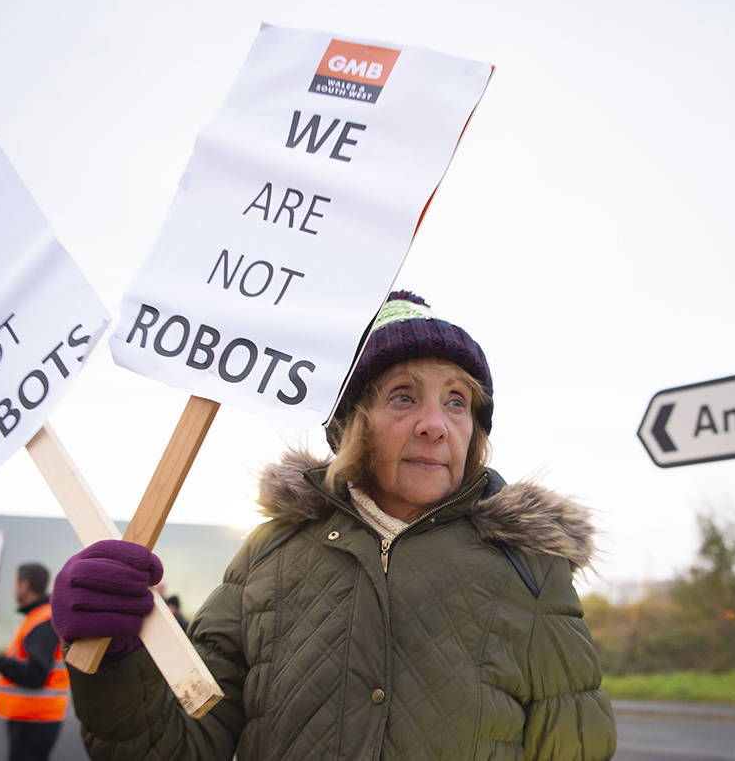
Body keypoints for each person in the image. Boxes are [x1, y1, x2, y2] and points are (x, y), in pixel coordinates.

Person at [52, 291, 618, 759]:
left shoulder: (529, 567)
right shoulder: (268, 554)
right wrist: (117, 662)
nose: (434, 425)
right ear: (349, 424)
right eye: (403, 397)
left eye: (456, 402)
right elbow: (179, 745)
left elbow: (577, 749)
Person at [0, 562, 68, 761]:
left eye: (15, 583)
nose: (14, 589)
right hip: (36, 717)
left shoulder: (41, 621)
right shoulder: (40, 617)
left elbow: (36, 675)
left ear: (25, 586)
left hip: (34, 718)